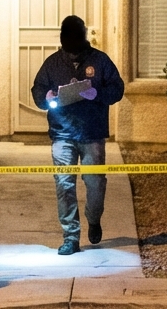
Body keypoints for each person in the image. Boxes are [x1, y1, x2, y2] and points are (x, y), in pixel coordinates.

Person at [30, 15, 125, 255]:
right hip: (62, 134)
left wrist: (98, 93)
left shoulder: (100, 61)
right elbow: (38, 89)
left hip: (91, 133)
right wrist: (47, 98)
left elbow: (117, 88)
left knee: (95, 183)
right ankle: (70, 236)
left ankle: (94, 218)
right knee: (64, 185)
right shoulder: (52, 63)